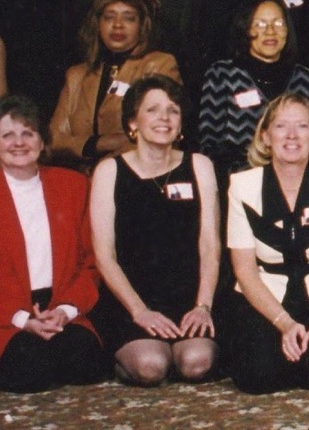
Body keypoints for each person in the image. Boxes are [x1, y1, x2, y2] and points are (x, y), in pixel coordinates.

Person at [0, 95, 109, 393]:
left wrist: (66, 310)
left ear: (42, 142)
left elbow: (91, 263)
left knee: (87, 365)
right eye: (7, 135)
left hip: (59, 307)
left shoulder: (74, 185)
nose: (19, 143)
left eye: (28, 133)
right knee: (31, 371)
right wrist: (23, 319)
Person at [87, 75, 220, 385]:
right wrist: (140, 311)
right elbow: (104, 256)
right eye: (153, 110)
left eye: (173, 110)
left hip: (189, 296)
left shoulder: (200, 165)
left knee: (196, 362)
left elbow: (210, 246)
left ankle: (179, 346)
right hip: (131, 298)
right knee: (150, 366)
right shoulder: (109, 171)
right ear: (133, 122)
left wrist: (203, 306)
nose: (164, 118)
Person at [224, 94, 309, 394]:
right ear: (265, 137)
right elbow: (244, 271)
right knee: (258, 378)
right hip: (266, 299)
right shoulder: (242, 186)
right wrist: (284, 323)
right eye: (281, 126)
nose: (291, 135)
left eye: (302, 126)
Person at [49, 0, 180, 166]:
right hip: (78, 176)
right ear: (97, 23)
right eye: (109, 17)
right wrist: (101, 143)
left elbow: (159, 135)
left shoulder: (159, 65)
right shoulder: (76, 75)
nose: (118, 25)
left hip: (132, 174)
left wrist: (104, 167)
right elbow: (54, 141)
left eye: (128, 18)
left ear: (142, 25)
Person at [196, 0, 309, 178]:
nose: (270, 31)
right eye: (260, 24)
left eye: (278, 23)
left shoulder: (305, 79)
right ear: (246, 29)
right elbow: (209, 143)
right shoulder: (222, 74)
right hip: (239, 178)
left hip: (297, 176)